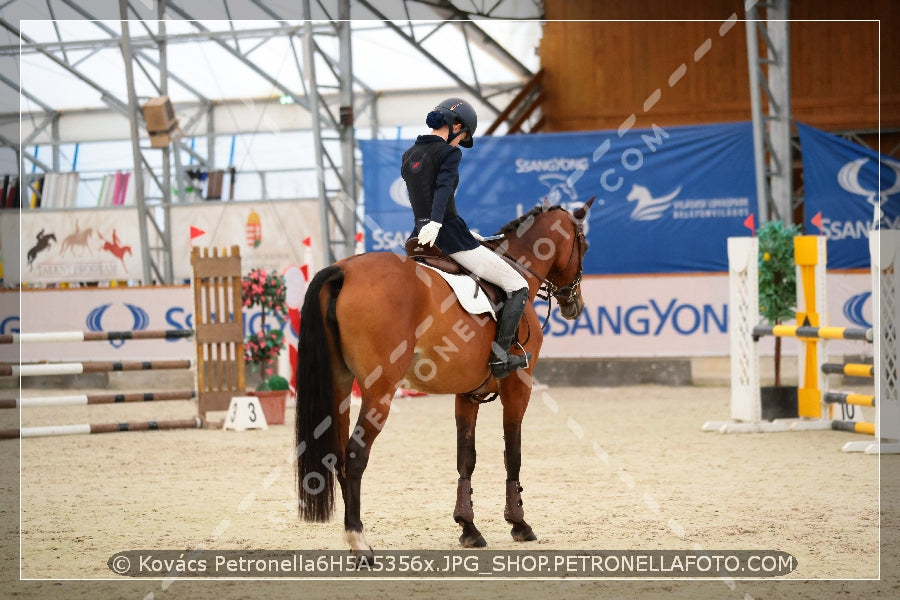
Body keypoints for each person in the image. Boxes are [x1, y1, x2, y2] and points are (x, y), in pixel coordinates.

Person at [401, 97, 531, 380]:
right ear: (455, 125)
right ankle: (500, 358)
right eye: (463, 136)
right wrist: (438, 223)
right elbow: (443, 190)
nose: (461, 143)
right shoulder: (449, 154)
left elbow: (422, 198)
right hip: (447, 236)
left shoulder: (410, 153)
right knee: (518, 284)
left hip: (418, 236)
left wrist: (434, 223)